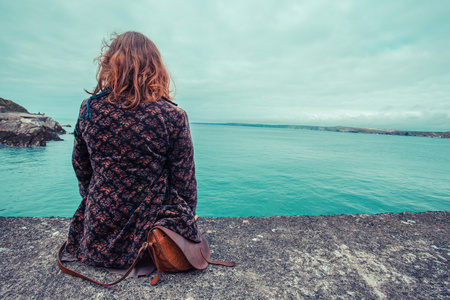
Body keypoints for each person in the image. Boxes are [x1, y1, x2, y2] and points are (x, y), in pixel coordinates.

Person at [62, 31, 199, 276]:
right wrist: (187, 220)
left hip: (98, 232)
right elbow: (185, 184)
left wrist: (96, 198)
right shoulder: (173, 115)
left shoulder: (89, 109)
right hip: (150, 237)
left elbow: (81, 167)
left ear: (110, 64)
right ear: (155, 67)